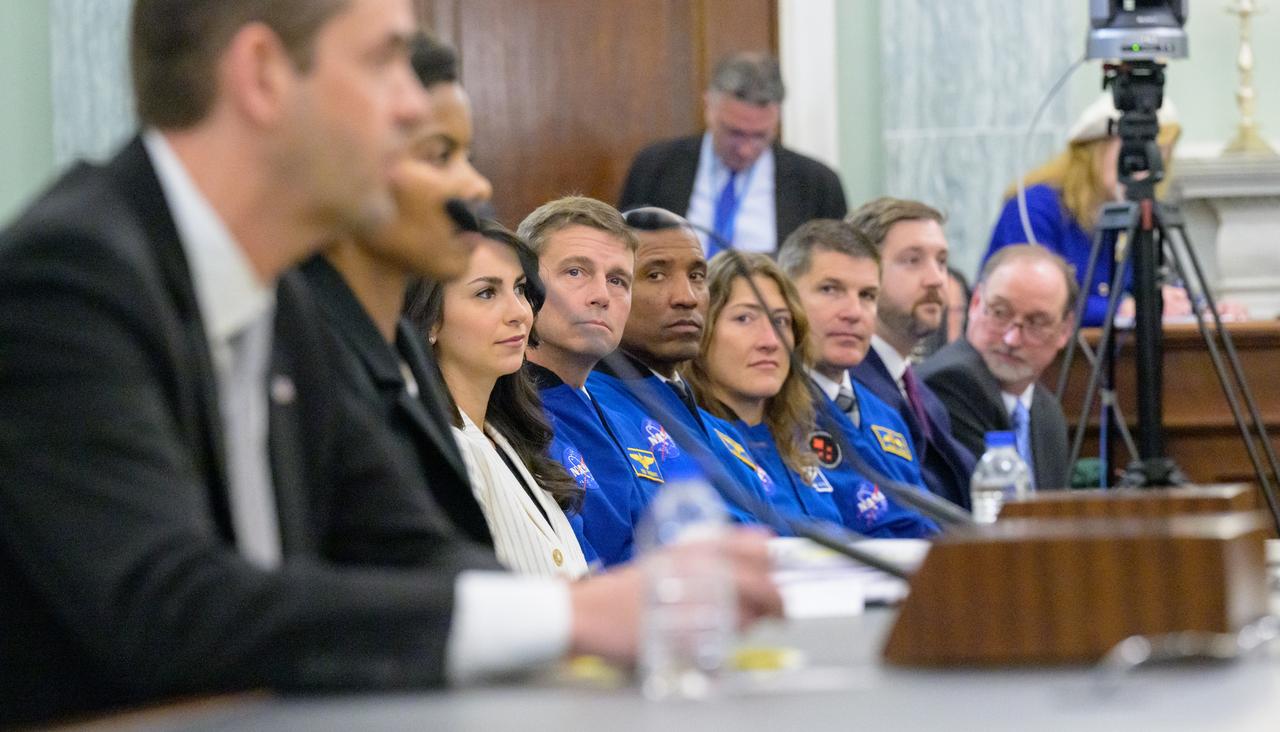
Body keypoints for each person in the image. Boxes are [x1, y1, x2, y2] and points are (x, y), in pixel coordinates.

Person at [0, 3, 781, 724]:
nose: (411, 105)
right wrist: (570, 618)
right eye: (384, 65)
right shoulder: (68, 280)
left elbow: (410, 548)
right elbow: (165, 607)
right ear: (263, 75)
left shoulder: (279, 298)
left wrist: (597, 613)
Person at [301, 33, 495, 549]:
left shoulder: (402, 342)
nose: (478, 186)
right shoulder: (303, 345)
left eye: (467, 155)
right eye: (439, 155)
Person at [688, 251, 937, 537]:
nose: (770, 341)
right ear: (701, 331)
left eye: (781, 321)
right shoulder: (690, 441)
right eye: (745, 318)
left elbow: (888, 524)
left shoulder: (805, 430)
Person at [412, 223, 591, 578]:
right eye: (486, 293)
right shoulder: (433, 449)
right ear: (431, 320)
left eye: (521, 290)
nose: (520, 312)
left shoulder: (505, 437)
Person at [586, 207, 780, 528]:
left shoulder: (720, 428)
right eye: (655, 275)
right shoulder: (596, 411)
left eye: (696, 276)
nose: (687, 298)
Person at [983, 93, 1239, 327]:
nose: (1144, 171)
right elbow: (1030, 299)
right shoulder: (1036, 207)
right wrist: (1123, 308)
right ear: (1096, 150)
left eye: (1158, 159)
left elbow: (1159, 283)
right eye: (1135, 156)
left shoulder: (1128, 212)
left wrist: (1201, 308)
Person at [777, 220, 939, 537]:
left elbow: (927, 521)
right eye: (830, 289)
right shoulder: (770, 408)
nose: (854, 312)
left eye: (867, 295)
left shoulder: (887, 415)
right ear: (785, 300)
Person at [618, 52, 846, 254]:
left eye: (760, 136)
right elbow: (624, 248)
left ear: (777, 117)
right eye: (734, 133)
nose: (746, 150)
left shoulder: (817, 184)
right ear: (709, 106)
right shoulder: (655, 167)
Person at [847, 198, 976, 509]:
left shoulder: (924, 396)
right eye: (912, 260)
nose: (936, 279)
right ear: (864, 272)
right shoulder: (847, 385)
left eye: (941, 261)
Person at [919, 245, 1076, 491]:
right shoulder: (952, 383)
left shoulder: (1047, 411)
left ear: (1064, 330)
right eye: (1000, 313)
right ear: (976, 304)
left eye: (1036, 322)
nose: (1011, 339)